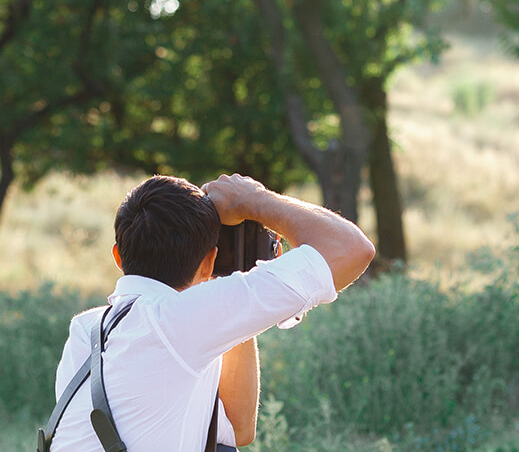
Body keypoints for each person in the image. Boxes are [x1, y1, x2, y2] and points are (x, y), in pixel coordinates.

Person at [43, 174, 375, 451]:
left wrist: (227, 279)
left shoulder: (85, 330)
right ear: (208, 262)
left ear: (118, 256)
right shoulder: (179, 321)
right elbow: (351, 248)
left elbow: (238, 429)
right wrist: (254, 199)